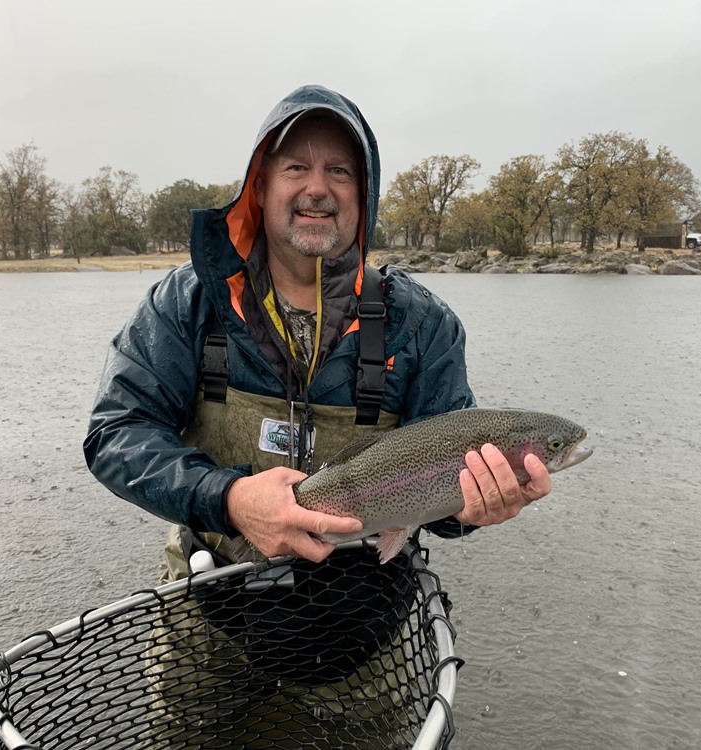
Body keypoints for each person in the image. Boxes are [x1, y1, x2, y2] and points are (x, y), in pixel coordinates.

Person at [82, 84, 552, 745]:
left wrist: (471, 510)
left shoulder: (423, 328)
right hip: (211, 600)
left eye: (339, 170)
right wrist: (229, 497)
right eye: (296, 166)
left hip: (363, 618)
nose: (317, 187)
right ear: (261, 184)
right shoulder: (188, 304)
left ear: (364, 195)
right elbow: (114, 434)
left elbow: (449, 481)